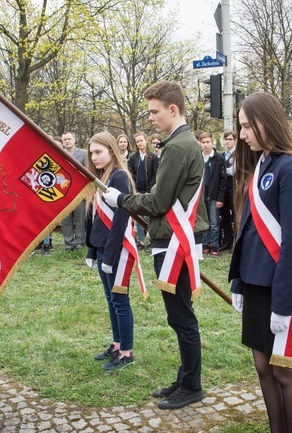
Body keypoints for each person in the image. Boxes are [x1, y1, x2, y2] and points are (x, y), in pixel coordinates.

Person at [102, 81, 207, 411]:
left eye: (154, 111)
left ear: (172, 110)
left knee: (181, 317)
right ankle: (185, 377)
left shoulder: (177, 147)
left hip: (174, 241)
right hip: (175, 238)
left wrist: (122, 199)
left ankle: (191, 385)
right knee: (180, 316)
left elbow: (160, 200)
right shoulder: (182, 142)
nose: (151, 118)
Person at [228, 92, 292, 433]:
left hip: (283, 288)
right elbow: (247, 229)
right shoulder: (262, 163)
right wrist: (238, 282)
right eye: (241, 126)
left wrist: (281, 305)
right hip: (256, 282)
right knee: (263, 366)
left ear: (267, 121)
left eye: (247, 125)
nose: (242, 133)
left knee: (284, 371)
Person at [86, 132, 144, 371]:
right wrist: (92, 250)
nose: (94, 157)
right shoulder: (102, 176)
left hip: (116, 250)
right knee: (111, 300)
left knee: (120, 300)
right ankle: (117, 344)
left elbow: (120, 220)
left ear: (112, 151)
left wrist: (109, 256)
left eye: (98, 152)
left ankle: (126, 352)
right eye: (91, 153)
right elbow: (95, 218)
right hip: (102, 248)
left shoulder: (119, 176)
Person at [127, 131, 159, 248]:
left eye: (141, 140)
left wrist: (149, 190)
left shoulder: (153, 157)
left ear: (146, 140)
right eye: (137, 142)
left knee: (150, 217)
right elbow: (130, 174)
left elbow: (156, 175)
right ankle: (140, 241)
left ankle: (151, 241)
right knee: (139, 217)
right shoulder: (133, 158)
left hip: (149, 192)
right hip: (137, 191)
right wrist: (134, 189)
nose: (139, 143)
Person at [199, 131, 227, 256]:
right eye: (203, 142)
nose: (205, 145)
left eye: (207, 142)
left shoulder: (218, 158)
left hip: (214, 195)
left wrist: (220, 198)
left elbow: (223, 180)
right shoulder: (198, 157)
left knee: (214, 222)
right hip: (201, 195)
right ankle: (205, 243)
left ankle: (214, 245)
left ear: (212, 142)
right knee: (204, 221)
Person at [60, 131, 88, 250]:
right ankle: (69, 243)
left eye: (69, 139)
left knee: (80, 218)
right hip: (63, 192)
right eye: (65, 140)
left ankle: (79, 243)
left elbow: (88, 174)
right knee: (66, 220)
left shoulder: (84, 154)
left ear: (74, 140)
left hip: (79, 192)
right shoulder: (59, 154)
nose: (67, 141)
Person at [219, 130, 237, 252]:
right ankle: (228, 241)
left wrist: (223, 171)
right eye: (226, 139)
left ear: (235, 141)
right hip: (223, 186)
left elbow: (235, 171)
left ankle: (236, 241)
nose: (227, 141)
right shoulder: (221, 155)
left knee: (236, 214)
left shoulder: (238, 154)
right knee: (224, 214)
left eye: (230, 139)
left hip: (234, 185)